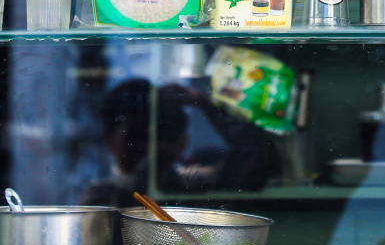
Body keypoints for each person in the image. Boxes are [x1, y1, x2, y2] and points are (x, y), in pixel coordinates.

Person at [81, 77, 269, 209]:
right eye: (136, 135)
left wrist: (204, 102)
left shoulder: (190, 184)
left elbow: (258, 157)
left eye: (160, 131)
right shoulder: (100, 198)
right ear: (108, 139)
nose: (151, 144)